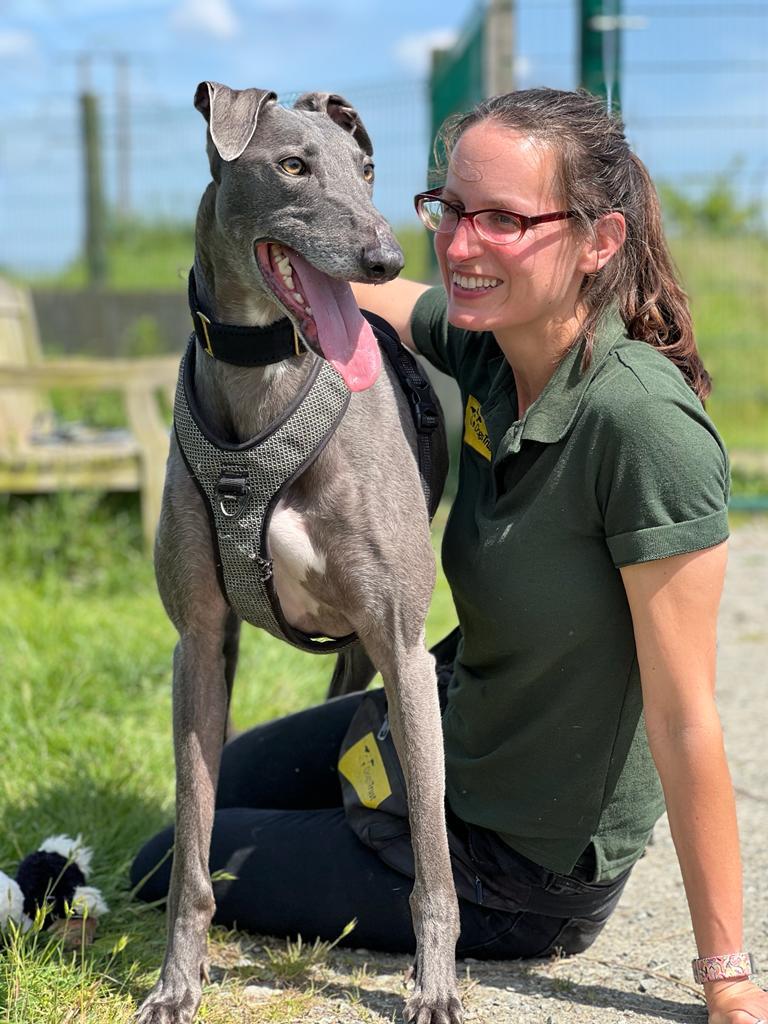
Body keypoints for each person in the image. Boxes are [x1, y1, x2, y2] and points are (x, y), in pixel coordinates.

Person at [132, 88, 767, 1024]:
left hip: (522, 863)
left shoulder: (645, 428)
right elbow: (359, 280)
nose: (459, 246)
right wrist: (256, 251)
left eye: (504, 220)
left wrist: (731, 980)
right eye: (452, 210)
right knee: (235, 786)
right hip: (452, 733)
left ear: (599, 242)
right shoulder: (491, 347)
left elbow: (684, 723)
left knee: (169, 858)